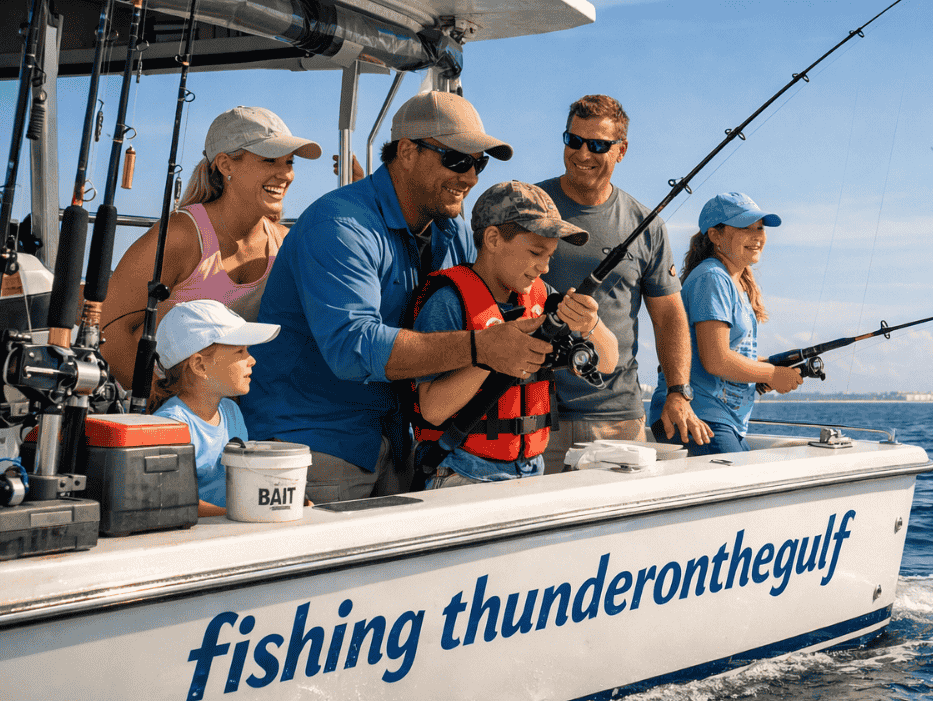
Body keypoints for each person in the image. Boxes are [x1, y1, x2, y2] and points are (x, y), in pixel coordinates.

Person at [240, 91, 553, 503]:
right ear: (407, 151)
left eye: (479, 163)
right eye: (457, 159)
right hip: (317, 445)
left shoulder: (452, 229)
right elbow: (353, 349)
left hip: (400, 443)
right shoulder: (338, 225)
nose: (471, 177)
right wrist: (484, 348)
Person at [536, 94, 712, 473]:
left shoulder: (645, 224)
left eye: (598, 145)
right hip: (533, 413)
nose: (582, 153)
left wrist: (679, 393)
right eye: (573, 140)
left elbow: (669, 318)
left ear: (622, 150)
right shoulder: (532, 207)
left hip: (617, 416)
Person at [409, 181, 617, 488]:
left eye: (551, 256)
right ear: (493, 239)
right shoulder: (448, 302)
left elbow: (609, 363)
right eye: (535, 252)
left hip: (532, 472)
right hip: (460, 473)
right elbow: (433, 409)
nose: (544, 267)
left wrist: (590, 323)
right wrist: (491, 355)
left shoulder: (542, 297)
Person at [103, 106, 321, 389]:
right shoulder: (181, 235)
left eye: (289, 163)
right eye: (269, 160)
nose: (285, 175)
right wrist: (156, 401)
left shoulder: (284, 243)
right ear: (225, 164)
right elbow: (109, 328)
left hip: (226, 399)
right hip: (154, 398)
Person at [648, 192, 804, 455]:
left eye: (759, 227)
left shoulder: (734, 283)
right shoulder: (712, 278)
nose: (757, 236)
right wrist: (772, 374)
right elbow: (716, 359)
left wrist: (763, 368)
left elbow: (720, 354)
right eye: (745, 227)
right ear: (715, 235)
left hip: (720, 421)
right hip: (698, 419)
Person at [150, 299, 281, 516]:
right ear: (200, 365)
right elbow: (172, 500)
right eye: (240, 352)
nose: (252, 360)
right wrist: (242, 514)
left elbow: (244, 476)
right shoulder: (172, 425)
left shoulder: (231, 411)